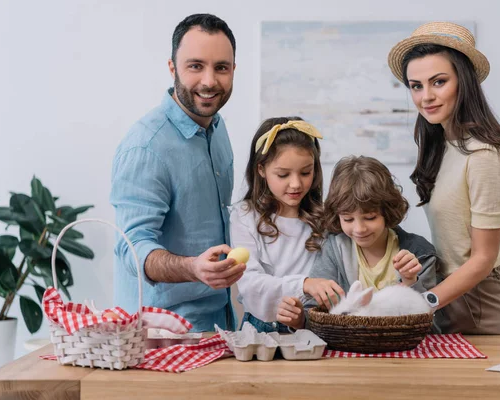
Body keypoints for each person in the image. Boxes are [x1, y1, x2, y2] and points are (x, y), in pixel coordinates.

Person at [387, 22, 500, 334]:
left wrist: (422, 301)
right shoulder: (443, 147)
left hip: (482, 305)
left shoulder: (483, 156)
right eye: (416, 86)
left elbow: (483, 258)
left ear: (463, 82)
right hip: (447, 295)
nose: (426, 96)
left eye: (438, 82)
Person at [110, 14, 245, 331]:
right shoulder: (145, 147)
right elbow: (133, 248)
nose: (210, 81)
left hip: (220, 321)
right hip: (164, 336)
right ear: (172, 68)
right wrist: (192, 267)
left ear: (233, 70)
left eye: (221, 67)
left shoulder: (217, 126)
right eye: (195, 66)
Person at [277, 156, 439, 331]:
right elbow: (316, 311)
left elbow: (431, 325)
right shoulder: (334, 249)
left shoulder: (419, 252)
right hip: (350, 353)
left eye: (370, 217)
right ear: (337, 216)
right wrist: (299, 320)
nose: (359, 229)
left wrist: (411, 281)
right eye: (348, 219)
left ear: (387, 211)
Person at [229, 117, 326, 333]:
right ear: (261, 169)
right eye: (283, 174)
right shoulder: (244, 216)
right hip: (259, 331)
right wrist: (304, 284)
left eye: (305, 172)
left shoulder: (324, 219)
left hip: (310, 329)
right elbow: (250, 283)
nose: (296, 184)